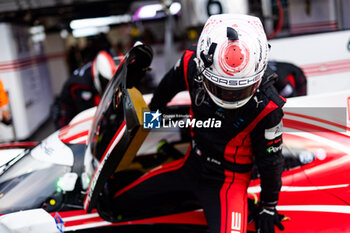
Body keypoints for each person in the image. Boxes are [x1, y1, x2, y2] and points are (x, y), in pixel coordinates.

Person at [100, 14, 285, 233]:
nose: (229, 97)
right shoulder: (191, 62)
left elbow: (271, 161)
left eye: (238, 90)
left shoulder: (268, 106)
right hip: (191, 165)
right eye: (220, 88)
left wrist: (268, 205)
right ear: (202, 68)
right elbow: (167, 86)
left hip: (228, 182)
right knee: (120, 200)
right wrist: (153, 114)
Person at [55, 51, 118, 128]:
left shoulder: (96, 67)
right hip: (66, 114)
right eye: (104, 82)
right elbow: (86, 115)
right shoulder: (81, 85)